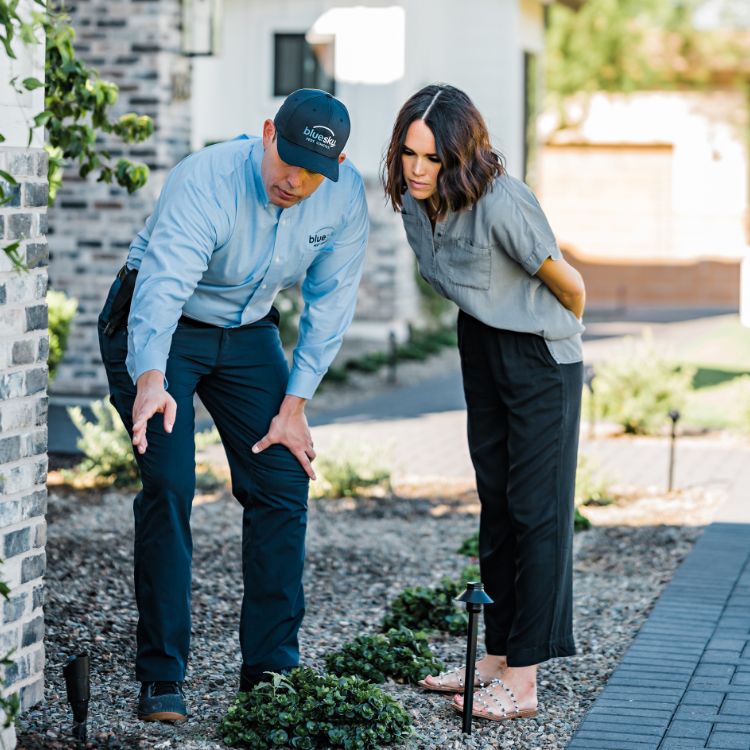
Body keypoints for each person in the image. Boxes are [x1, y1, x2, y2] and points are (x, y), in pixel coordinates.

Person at [98, 89, 369, 722]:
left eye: (313, 172)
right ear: (269, 133)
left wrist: (294, 404)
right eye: (290, 161)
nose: (296, 181)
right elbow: (162, 289)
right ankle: (162, 675)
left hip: (248, 333)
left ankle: (271, 671)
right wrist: (150, 380)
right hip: (163, 329)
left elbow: (331, 302)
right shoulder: (206, 179)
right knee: (169, 482)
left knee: (282, 479)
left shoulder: (342, 192)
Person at [382, 84, 585, 721]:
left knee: (535, 511)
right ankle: (493, 661)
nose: (418, 168)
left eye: (433, 158)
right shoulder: (417, 201)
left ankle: (522, 683)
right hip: (482, 342)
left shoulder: (502, 202)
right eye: (409, 153)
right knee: (496, 505)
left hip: (539, 355)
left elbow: (573, 288)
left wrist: (543, 334)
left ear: (460, 157)